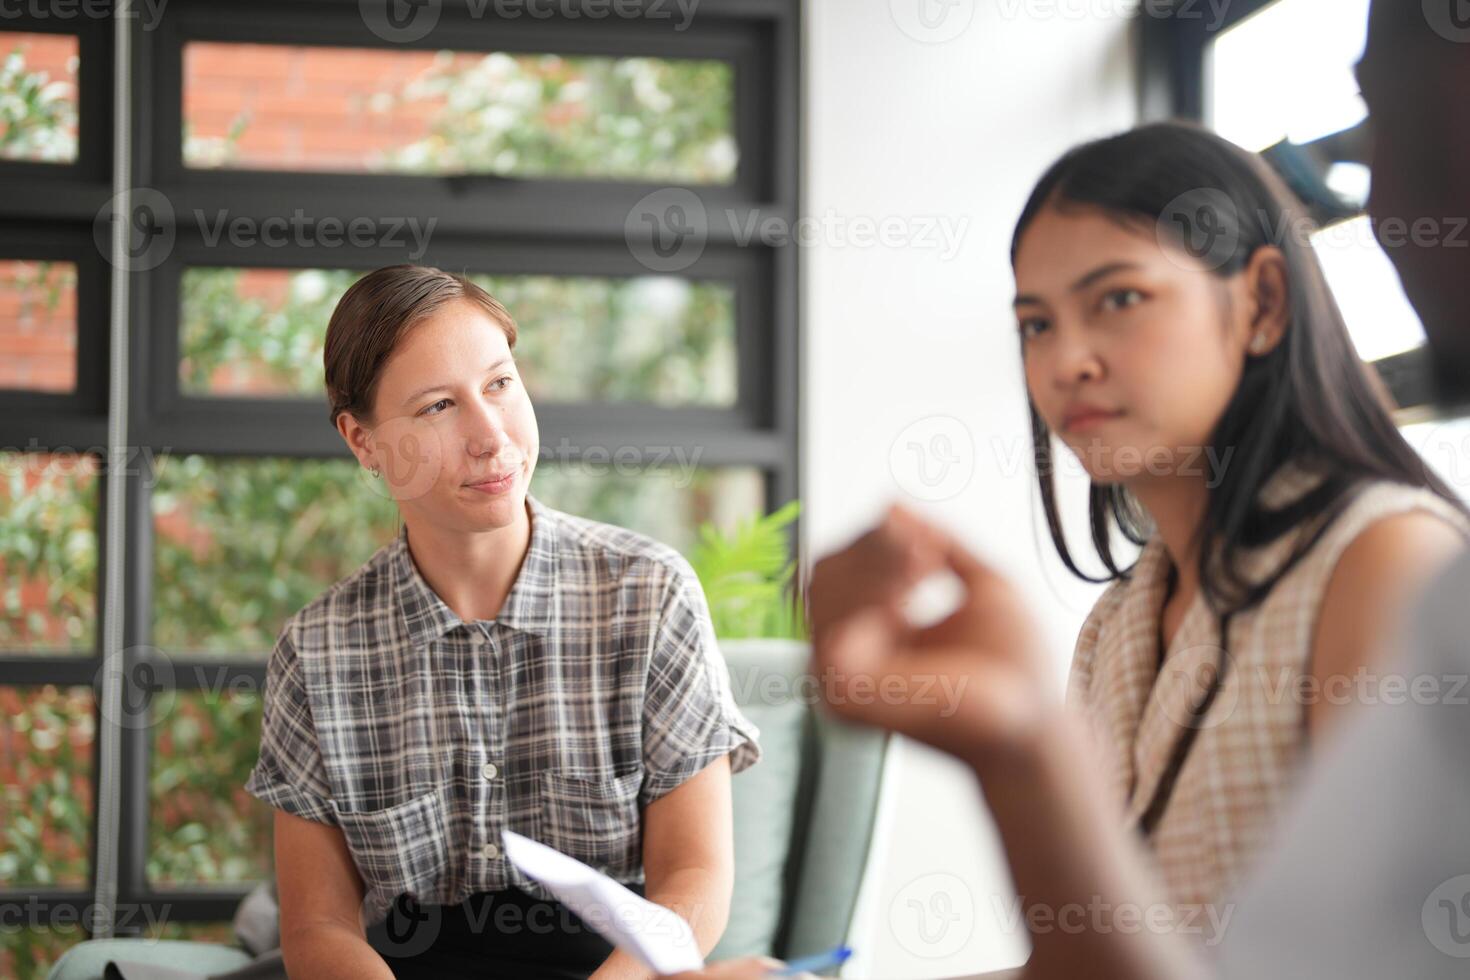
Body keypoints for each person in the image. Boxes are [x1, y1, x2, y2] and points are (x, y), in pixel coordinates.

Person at [671, 0, 1470, 977]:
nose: (1069, 360)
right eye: (1036, 323)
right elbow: (1088, 959)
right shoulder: (1122, 620)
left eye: (1119, 300)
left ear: (1261, 302)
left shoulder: (1384, 562)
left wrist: (1023, 748)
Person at [242, 265, 761, 980]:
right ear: (363, 441)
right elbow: (317, 923)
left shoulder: (651, 595)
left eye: (499, 384)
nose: (491, 435)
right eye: (436, 407)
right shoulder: (317, 650)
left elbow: (696, 878)